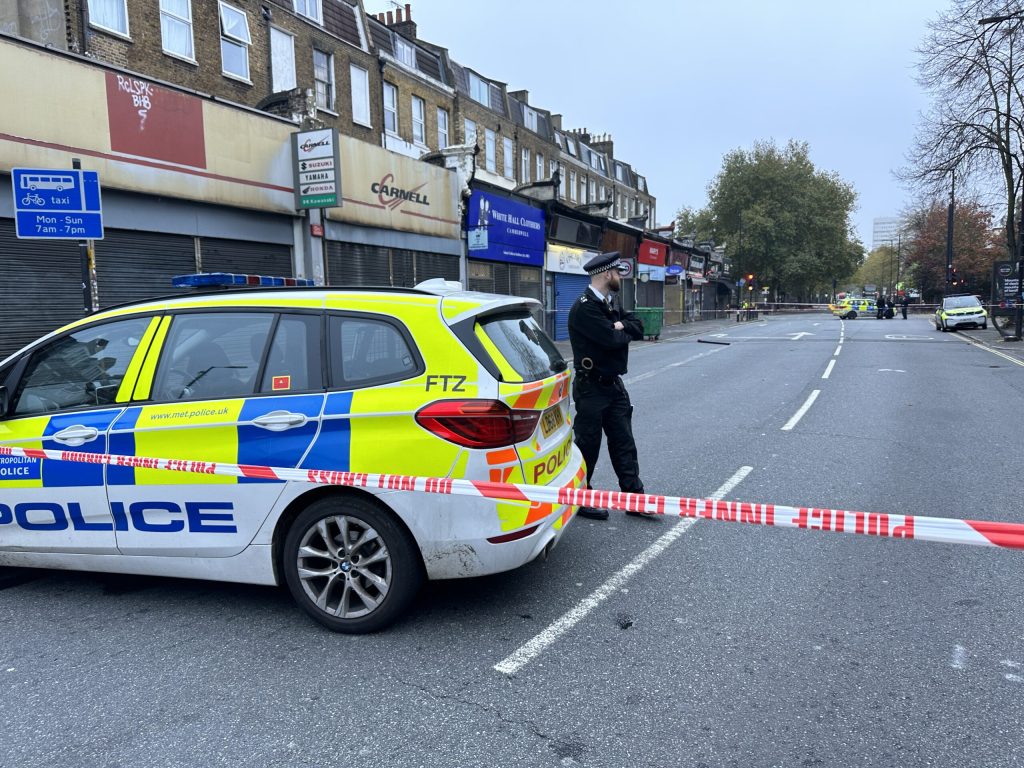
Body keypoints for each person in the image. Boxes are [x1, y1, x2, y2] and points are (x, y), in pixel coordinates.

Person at [567, 251, 653, 520]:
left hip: (613, 386)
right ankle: (583, 498)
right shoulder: (585, 307)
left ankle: (634, 497)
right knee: (588, 445)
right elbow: (611, 340)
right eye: (617, 273)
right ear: (607, 274)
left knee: (623, 442)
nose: (619, 277)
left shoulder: (610, 301)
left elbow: (639, 326)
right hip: (591, 387)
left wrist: (620, 325)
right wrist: (619, 328)